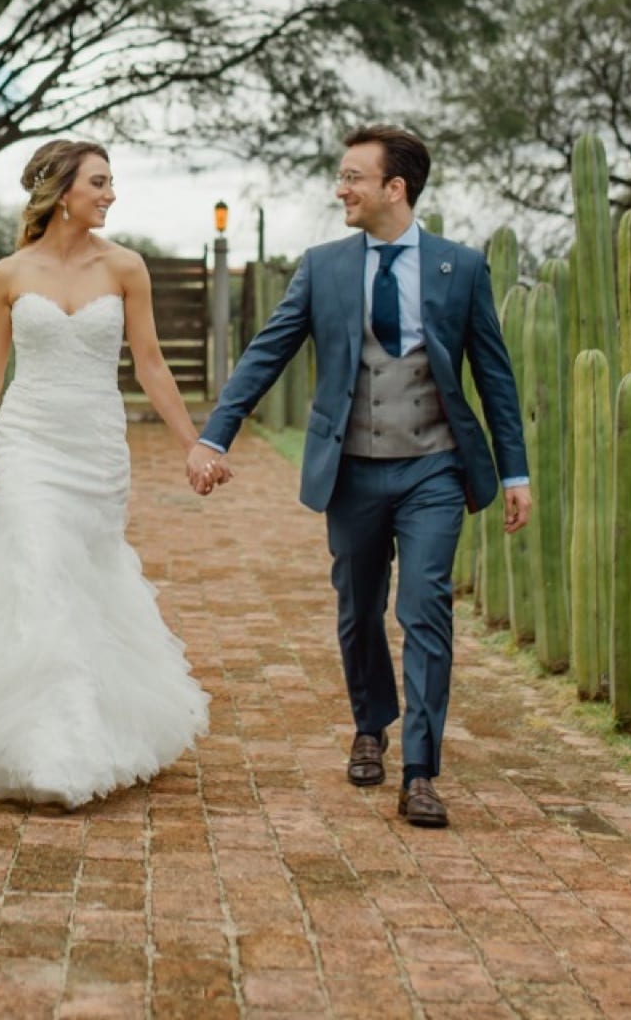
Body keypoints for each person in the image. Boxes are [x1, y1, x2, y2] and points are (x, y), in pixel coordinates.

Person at [187, 125, 530, 828]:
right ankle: (369, 725)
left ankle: (421, 770)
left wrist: (515, 470)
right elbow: (267, 352)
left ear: (393, 188)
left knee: (425, 608)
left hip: (434, 467)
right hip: (351, 472)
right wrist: (215, 433)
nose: (340, 190)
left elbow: (493, 374)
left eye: (352, 177)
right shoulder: (324, 267)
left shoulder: (459, 268)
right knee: (360, 609)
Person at [0, 138, 211, 808]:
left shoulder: (126, 268)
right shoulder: (7, 274)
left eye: (111, 183)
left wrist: (192, 443)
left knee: (87, 574)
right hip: (29, 441)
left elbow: (149, 362)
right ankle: (45, 747)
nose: (111, 194)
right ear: (61, 191)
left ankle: (101, 728)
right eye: (100, 182)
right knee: (37, 570)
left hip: (95, 444)